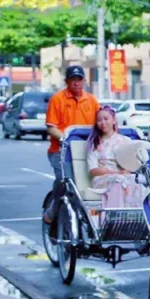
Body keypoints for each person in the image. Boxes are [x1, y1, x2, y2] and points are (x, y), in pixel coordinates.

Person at [43, 65, 98, 223]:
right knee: (63, 179)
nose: (76, 83)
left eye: (79, 79)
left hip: (86, 150)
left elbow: (100, 123)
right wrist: (65, 139)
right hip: (60, 151)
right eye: (73, 79)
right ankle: (53, 210)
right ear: (66, 81)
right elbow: (51, 127)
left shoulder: (92, 101)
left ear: (84, 81)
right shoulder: (57, 99)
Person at [85, 105, 146, 209]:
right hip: (102, 178)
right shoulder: (94, 144)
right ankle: (115, 216)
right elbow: (93, 170)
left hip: (125, 175)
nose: (103, 123)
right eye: (99, 120)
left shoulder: (125, 141)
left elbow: (135, 162)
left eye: (106, 119)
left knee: (139, 181)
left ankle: (138, 216)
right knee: (119, 180)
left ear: (113, 120)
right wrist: (116, 173)